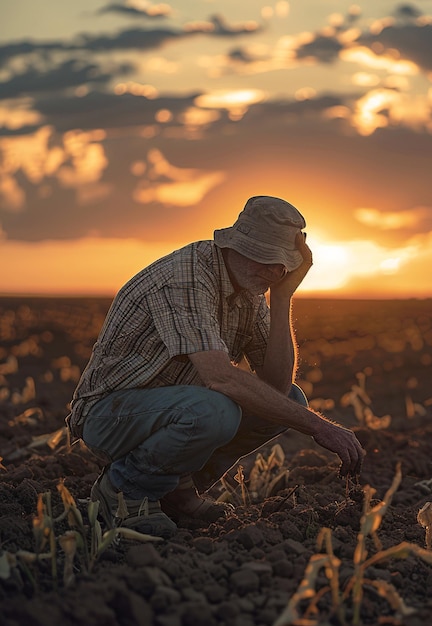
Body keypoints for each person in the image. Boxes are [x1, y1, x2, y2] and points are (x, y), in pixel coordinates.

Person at [67, 195, 365, 537]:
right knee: (214, 409)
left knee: (290, 401)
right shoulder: (187, 277)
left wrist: (282, 298)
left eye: (282, 264)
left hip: (170, 410)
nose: (273, 270)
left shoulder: (249, 291)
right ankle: (125, 492)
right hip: (109, 415)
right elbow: (220, 378)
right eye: (265, 257)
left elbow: (276, 387)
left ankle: (175, 492)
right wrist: (318, 427)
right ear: (235, 246)